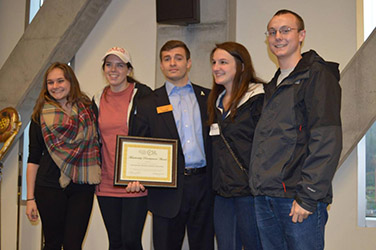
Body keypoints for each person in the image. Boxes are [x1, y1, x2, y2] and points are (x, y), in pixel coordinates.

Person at [249, 9, 342, 250]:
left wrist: (308, 196)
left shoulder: (317, 76)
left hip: (296, 199)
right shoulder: (273, 85)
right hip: (266, 197)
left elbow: (327, 140)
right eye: (272, 32)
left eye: (285, 30)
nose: (277, 36)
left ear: (301, 35)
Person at [131, 40, 214, 250]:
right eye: (167, 59)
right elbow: (139, 143)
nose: (172, 63)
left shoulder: (209, 97)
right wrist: (135, 174)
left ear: (189, 62)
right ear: (161, 65)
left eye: (178, 58)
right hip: (166, 190)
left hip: (204, 185)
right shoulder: (148, 102)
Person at [26, 62, 101, 250]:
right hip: (49, 186)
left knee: (73, 245)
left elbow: (99, 144)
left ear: (70, 82)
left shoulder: (88, 109)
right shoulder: (39, 115)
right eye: (50, 82)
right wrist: (29, 198)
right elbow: (33, 158)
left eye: (60, 80)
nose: (55, 86)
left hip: (82, 186)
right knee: (52, 244)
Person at [92, 46, 152, 250]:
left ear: (128, 69)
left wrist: (144, 175)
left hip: (134, 184)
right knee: (115, 242)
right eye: (109, 65)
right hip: (106, 183)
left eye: (119, 65)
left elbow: (153, 137)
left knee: (131, 241)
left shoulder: (144, 96)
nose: (113, 69)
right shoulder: (97, 98)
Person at [207, 42, 264, 250]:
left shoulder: (258, 98)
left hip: (249, 193)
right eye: (214, 62)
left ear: (241, 66)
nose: (216, 67)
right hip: (222, 193)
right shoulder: (216, 101)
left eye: (223, 62)